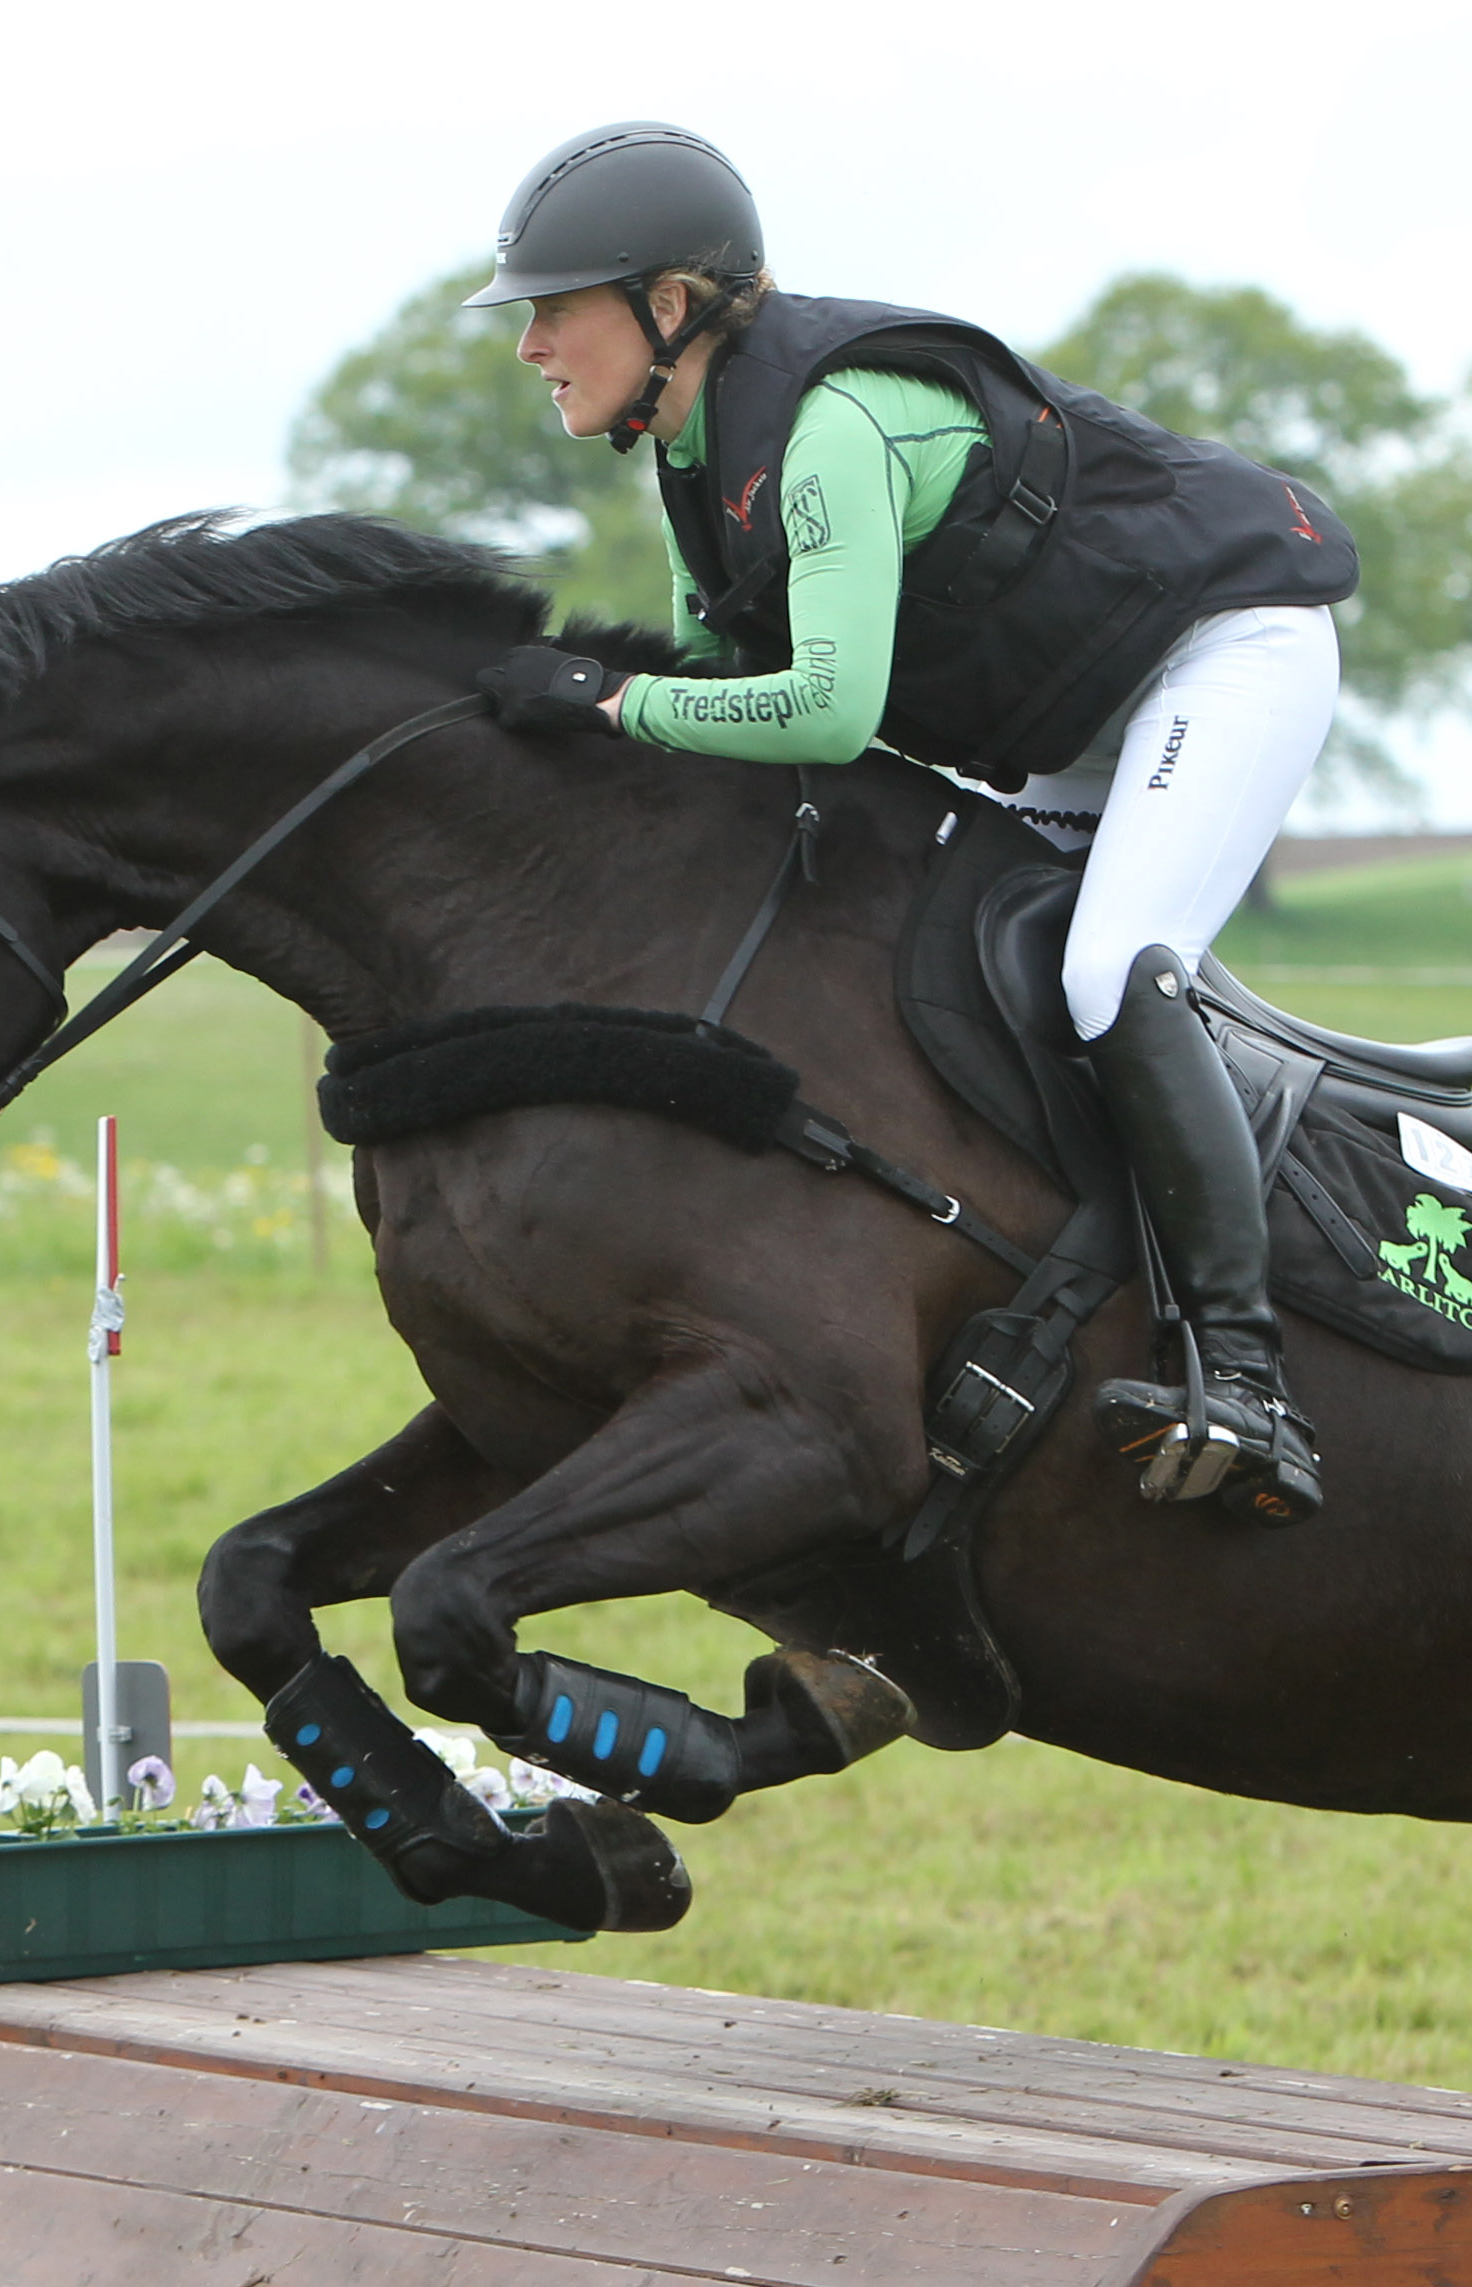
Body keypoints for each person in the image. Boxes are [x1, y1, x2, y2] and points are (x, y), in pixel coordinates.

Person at [466, 122, 1357, 1525]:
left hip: (1222, 653)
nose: (530, 346)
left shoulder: (825, 435)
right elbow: (728, 695)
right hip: (1074, 719)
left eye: (554, 309)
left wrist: (610, 702)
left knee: (1105, 968)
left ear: (669, 307)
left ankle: (1246, 1376)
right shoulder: (699, 455)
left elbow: (821, 710)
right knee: (937, 958)